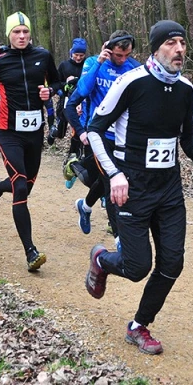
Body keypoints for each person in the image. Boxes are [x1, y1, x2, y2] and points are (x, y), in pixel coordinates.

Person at [84, 20, 193, 355]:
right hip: (132, 186)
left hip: (169, 188)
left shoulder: (186, 89)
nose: (180, 49)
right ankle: (102, 260)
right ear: (156, 48)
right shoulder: (131, 82)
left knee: (172, 263)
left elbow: (187, 135)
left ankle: (139, 326)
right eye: (171, 43)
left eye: (182, 43)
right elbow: (95, 129)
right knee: (137, 267)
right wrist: (114, 174)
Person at [0, 11, 62, 272]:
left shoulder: (43, 56)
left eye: (25, 32)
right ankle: (30, 251)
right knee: (21, 187)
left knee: (24, 185)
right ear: (9, 34)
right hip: (8, 131)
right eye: (16, 32)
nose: (21, 36)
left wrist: (51, 91)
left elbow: (57, 81)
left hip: (34, 132)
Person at [65, 31, 140, 240]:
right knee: (111, 180)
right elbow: (81, 91)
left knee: (107, 177)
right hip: (98, 135)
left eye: (126, 55)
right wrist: (99, 62)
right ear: (108, 49)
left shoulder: (134, 67)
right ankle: (119, 239)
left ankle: (85, 206)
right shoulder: (92, 63)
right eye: (118, 55)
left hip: (123, 136)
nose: (122, 59)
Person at [49, 38, 87, 187]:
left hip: (81, 103)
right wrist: (65, 85)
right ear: (71, 52)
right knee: (61, 132)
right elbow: (56, 83)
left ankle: (72, 162)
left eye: (81, 55)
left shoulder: (87, 65)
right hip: (65, 101)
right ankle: (54, 131)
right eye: (76, 55)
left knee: (77, 132)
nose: (78, 58)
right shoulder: (64, 65)